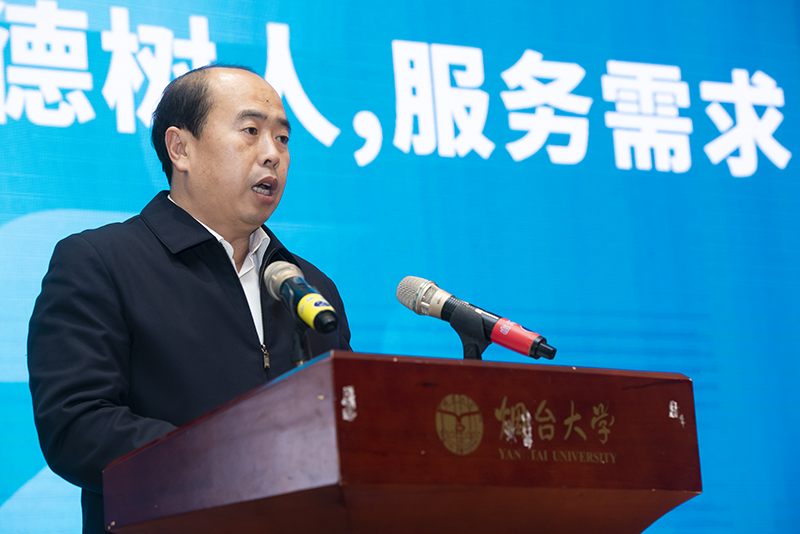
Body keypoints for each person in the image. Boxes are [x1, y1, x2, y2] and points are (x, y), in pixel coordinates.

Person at [27, 66, 352, 534]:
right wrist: (235, 460)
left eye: (282, 138)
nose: (272, 154)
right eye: (251, 131)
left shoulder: (308, 288)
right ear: (180, 148)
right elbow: (76, 427)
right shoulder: (101, 262)